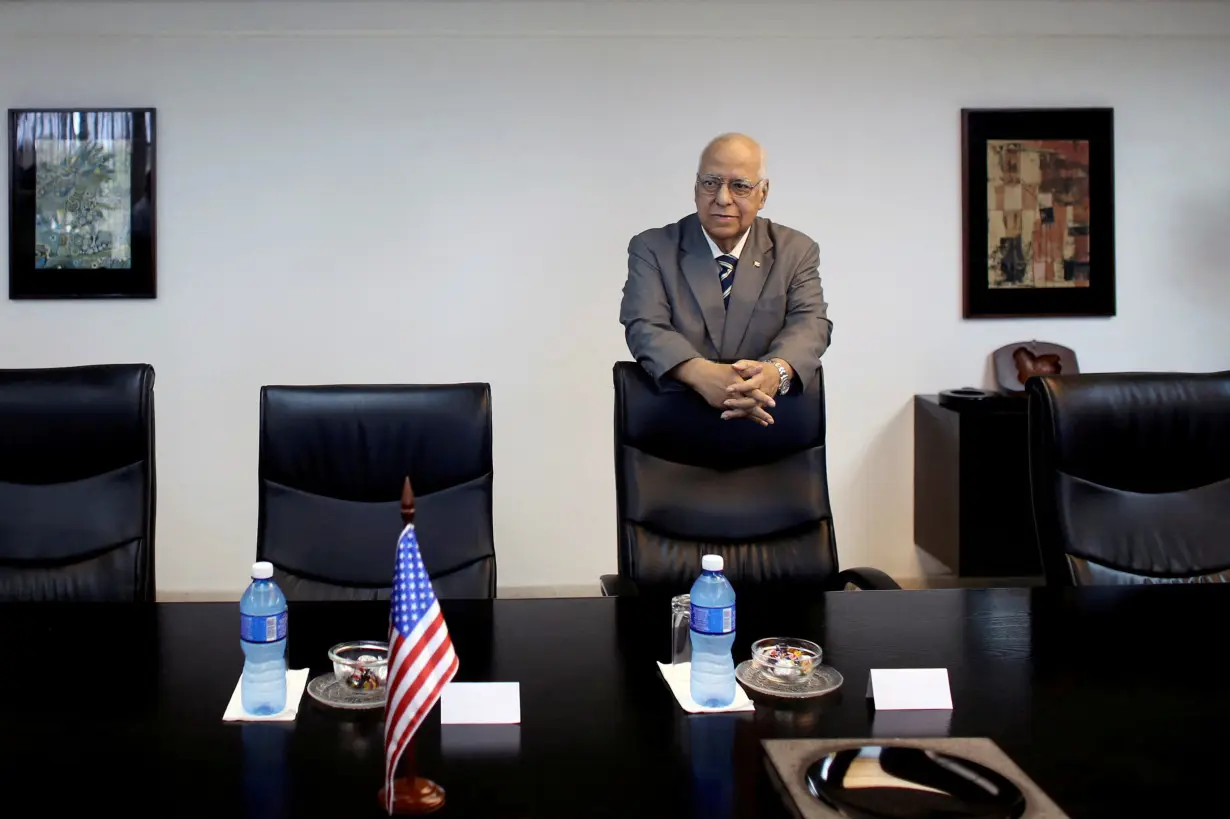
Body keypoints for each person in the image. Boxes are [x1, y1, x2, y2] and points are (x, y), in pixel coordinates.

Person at [619, 133, 832, 426]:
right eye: (710, 183)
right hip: (675, 423)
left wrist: (774, 372)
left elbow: (811, 323)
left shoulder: (796, 250)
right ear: (696, 187)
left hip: (770, 423)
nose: (722, 198)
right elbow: (645, 325)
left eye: (740, 186)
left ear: (763, 194)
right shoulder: (653, 248)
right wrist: (701, 374)